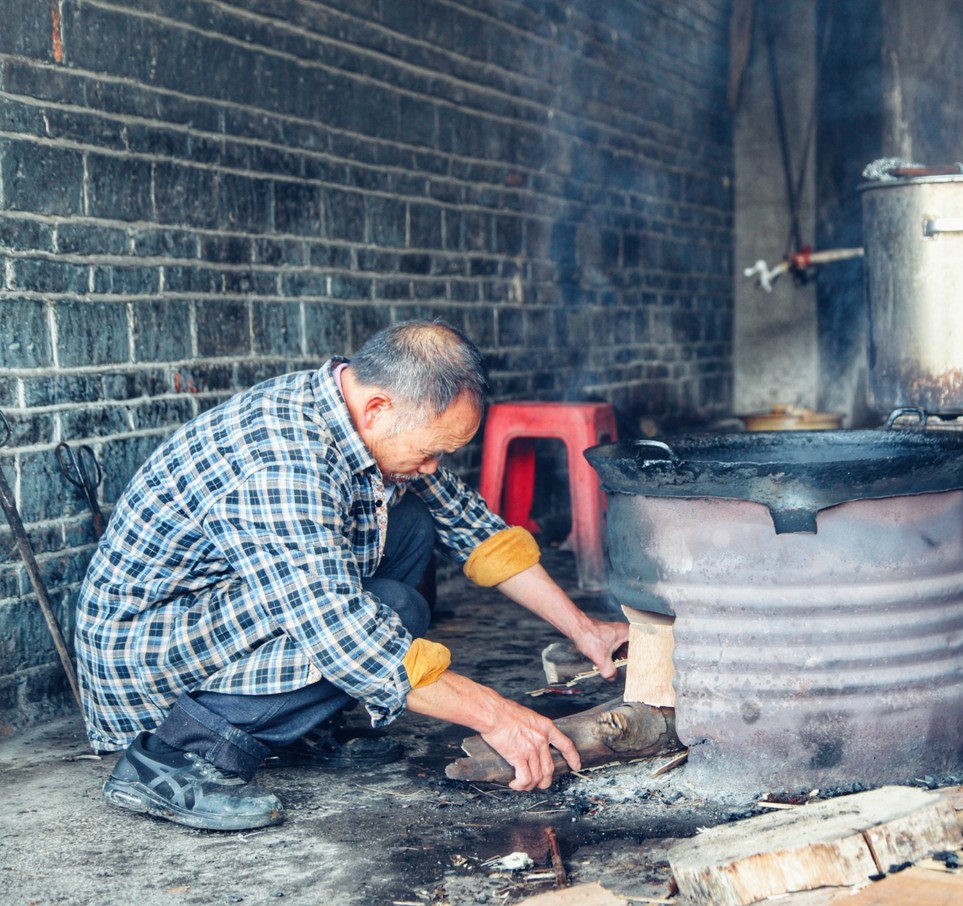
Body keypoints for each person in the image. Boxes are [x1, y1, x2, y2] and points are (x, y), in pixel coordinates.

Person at [75, 319, 630, 831]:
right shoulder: (284, 460)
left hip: (227, 614)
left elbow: (474, 529)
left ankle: (301, 726)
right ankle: (176, 755)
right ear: (378, 407)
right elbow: (345, 635)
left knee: (412, 519)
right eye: (433, 450)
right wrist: (501, 716)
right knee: (392, 615)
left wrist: (585, 630)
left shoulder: (365, 419)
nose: (437, 466)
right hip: (151, 651)